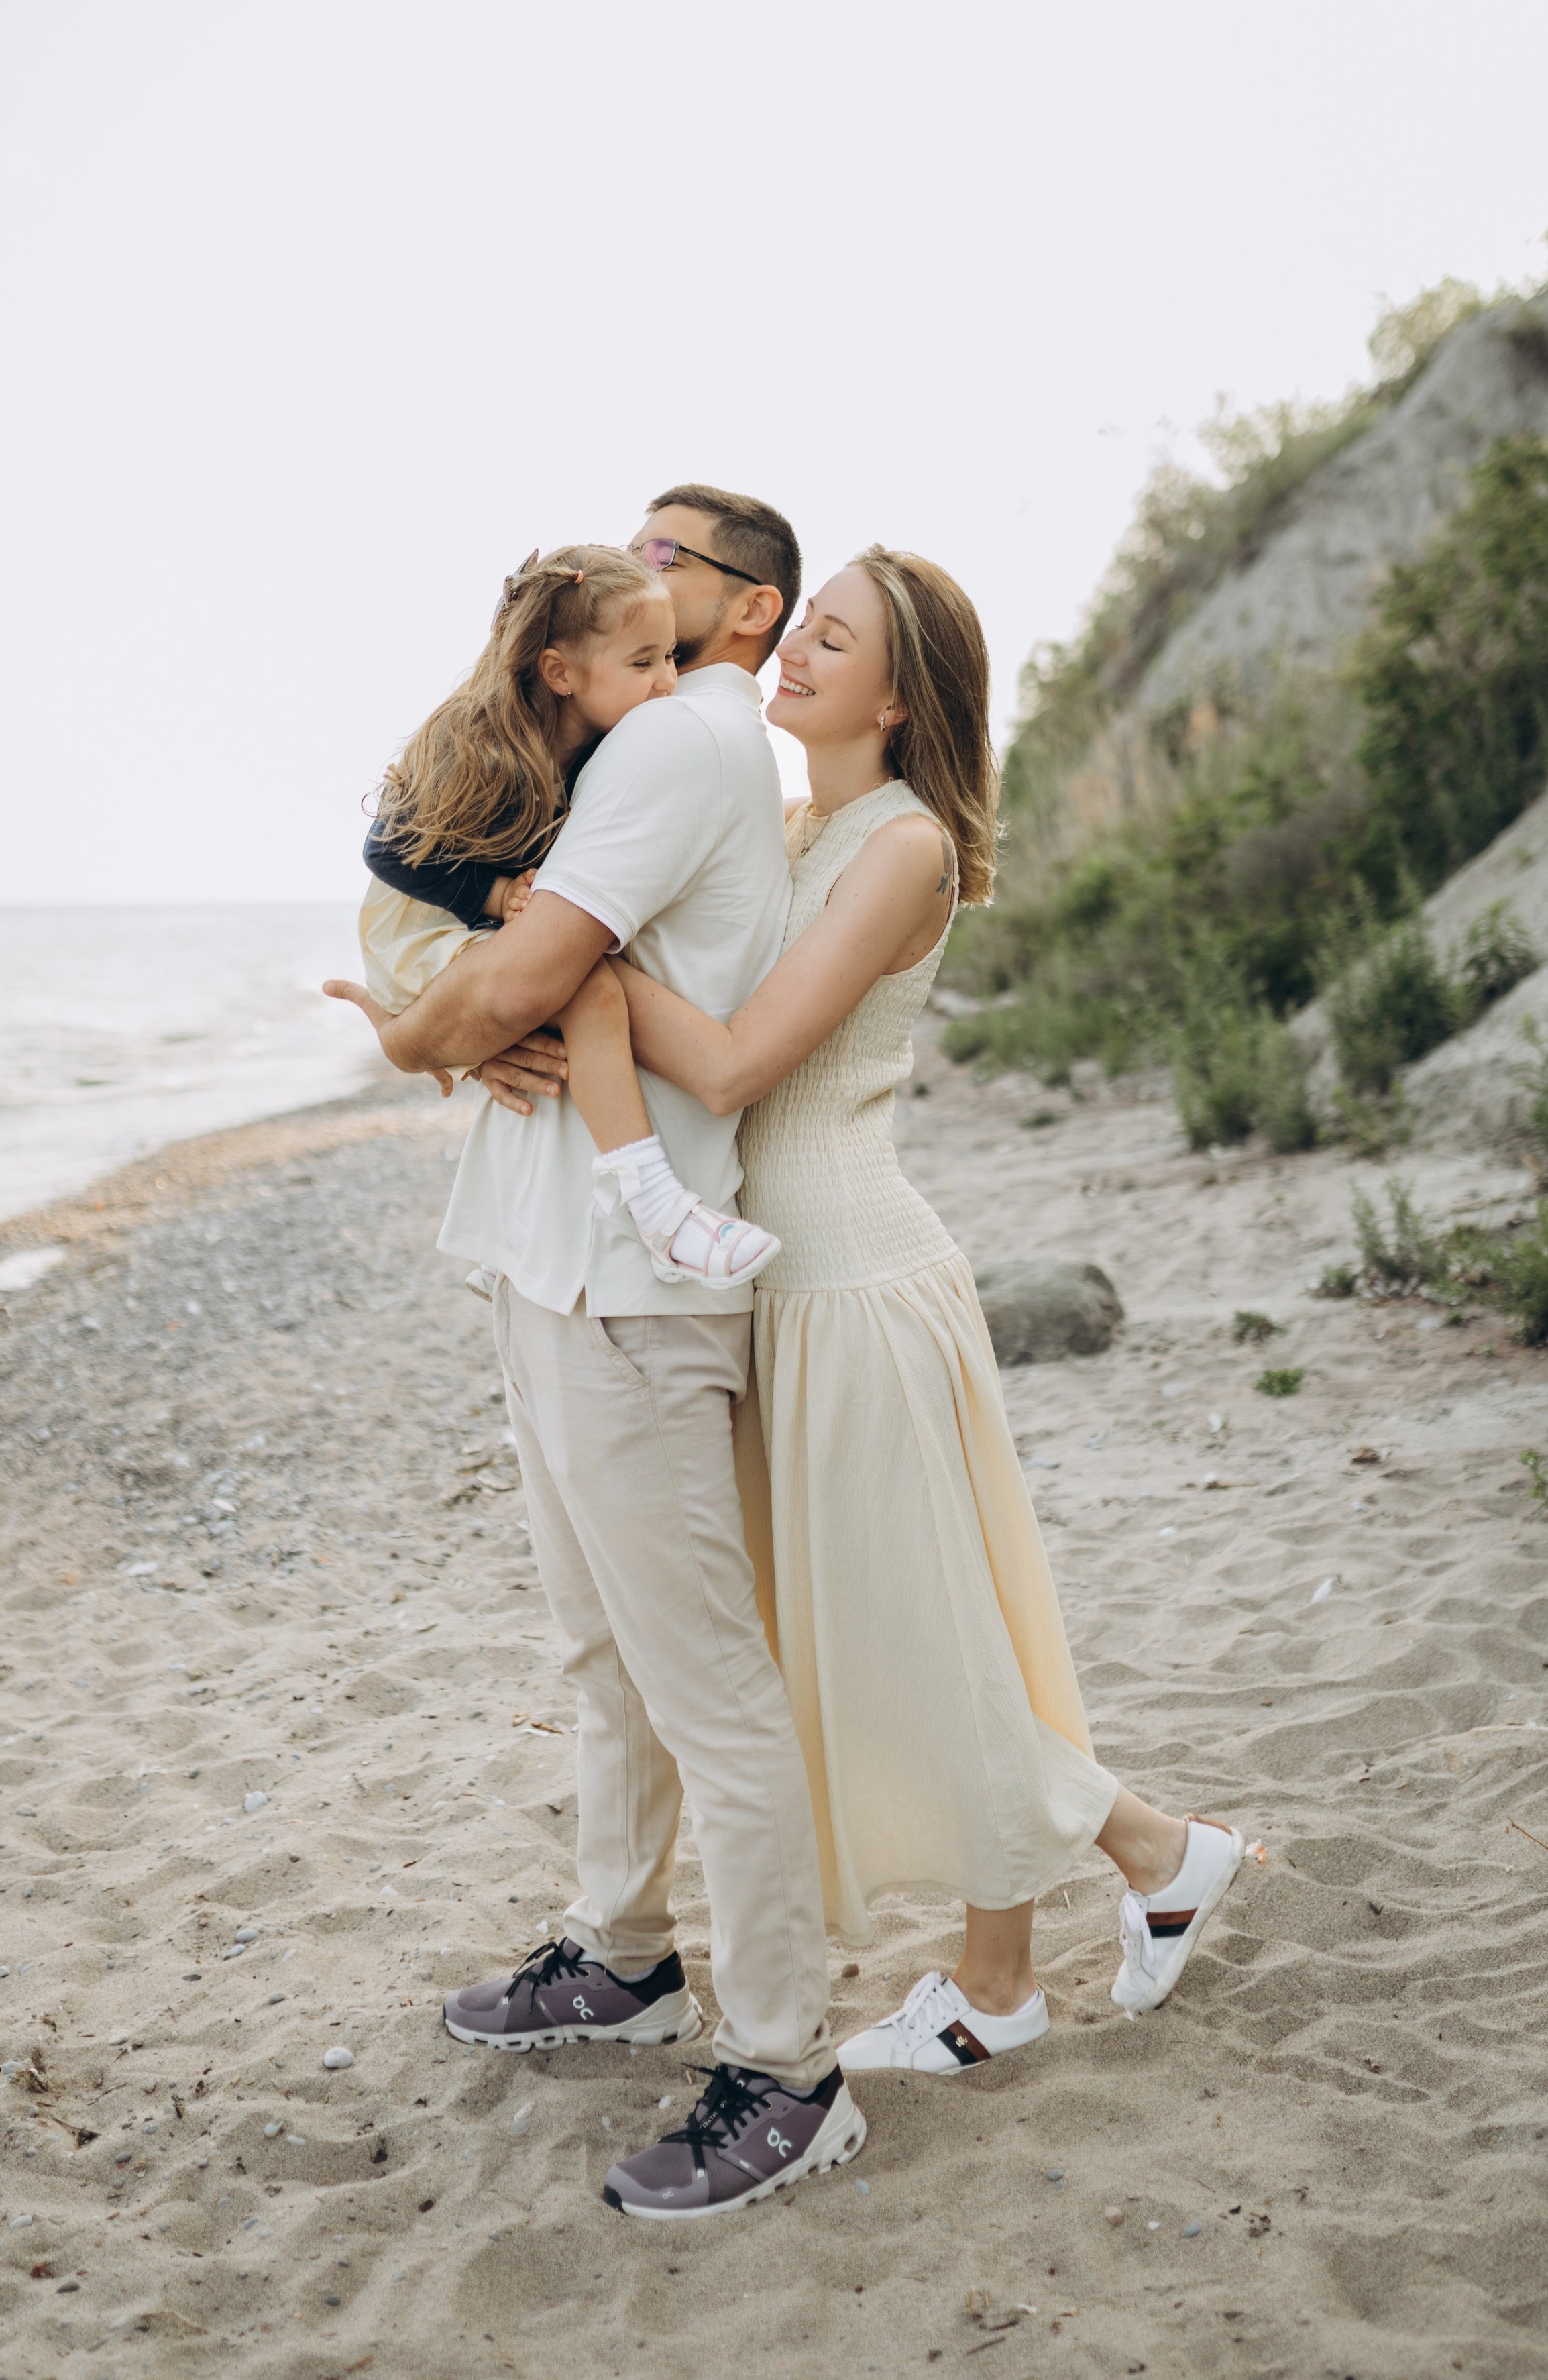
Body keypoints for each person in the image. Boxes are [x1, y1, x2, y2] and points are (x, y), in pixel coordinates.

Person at [553, 545, 1246, 2075]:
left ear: (901, 688)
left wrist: (572, 965)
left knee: (924, 1644)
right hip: (781, 1283)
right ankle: (1133, 1873)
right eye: (800, 627)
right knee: (903, 1639)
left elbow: (735, 1066)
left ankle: (1041, 1949)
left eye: (832, 636)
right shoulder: (801, 821)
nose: (791, 649)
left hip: (852, 1281)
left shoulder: (898, 848)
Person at [325, 486, 869, 2220]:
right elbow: (518, 962)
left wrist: (433, 1036)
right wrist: (478, 1017)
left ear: (748, 611)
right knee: (600, 1654)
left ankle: (789, 2064)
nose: (642, 577)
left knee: (708, 1686)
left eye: (671, 564)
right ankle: (621, 1954)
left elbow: (528, 974)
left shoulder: (681, 749)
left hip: (627, 1296)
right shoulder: (643, 747)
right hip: (550, 1263)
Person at [333, 543, 780, 1290]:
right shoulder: (484, 739)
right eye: (644, 664)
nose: (668, 682)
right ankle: (660, 1210)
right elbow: (386, 849)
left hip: (473, 929)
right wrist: (492, 896)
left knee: (551, 1034)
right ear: (560, 673)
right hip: (420, 924)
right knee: (592, 989)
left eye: (670, 658)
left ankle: (510, 1238)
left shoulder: (612, 738)